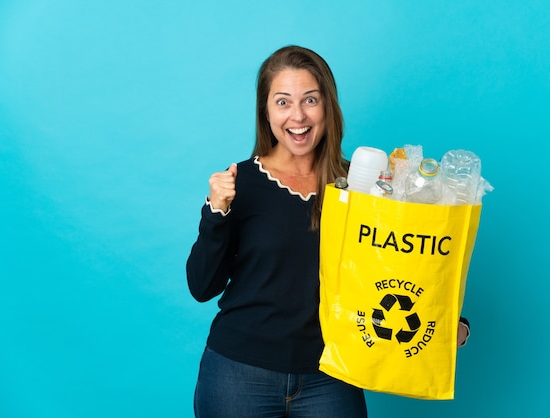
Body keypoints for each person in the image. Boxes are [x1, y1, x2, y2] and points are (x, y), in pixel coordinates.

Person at [186, 45, 470, 418]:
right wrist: (216, 212)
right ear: (266, 111)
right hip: (240, 373)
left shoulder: (362, 183)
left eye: (310, 100)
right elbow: (202, 287)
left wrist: (445, 321)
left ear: (328, 106)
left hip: (331, 373)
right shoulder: (240, 183)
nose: (298, 116)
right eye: (283, 102)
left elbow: (396, 265)